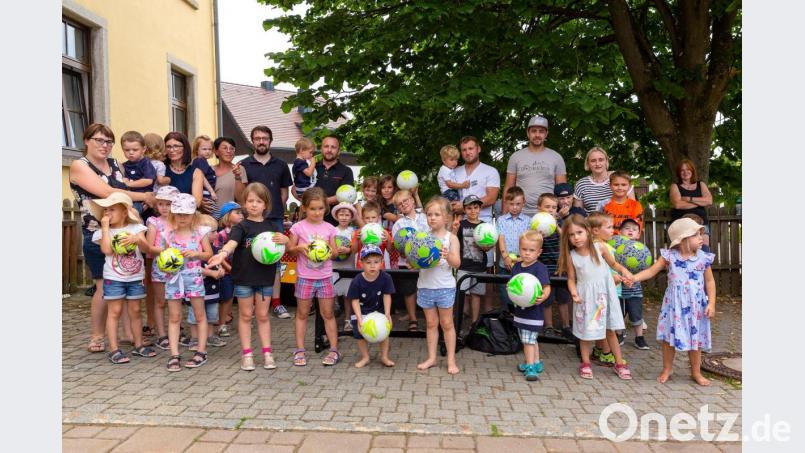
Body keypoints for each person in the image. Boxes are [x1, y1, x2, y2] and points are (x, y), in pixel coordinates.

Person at [69, 123, 155, 353]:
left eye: (108, 141)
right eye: (99, 140)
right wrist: (145, 195)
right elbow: (109, 193)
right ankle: (97, 336)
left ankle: (128, 333)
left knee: (127, 282)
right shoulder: (79, 165)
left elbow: (124, 194)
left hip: (124, 231)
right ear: (86, 140)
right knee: (103, 287)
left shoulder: (115, 164)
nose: (104, 146)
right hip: (98, 233)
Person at [208, 183, 290, 371]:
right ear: (244, 203)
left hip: (265, 278)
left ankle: (267, 353)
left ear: (265, 204)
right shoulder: (241, 226)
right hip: (244, 278)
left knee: (262, 316)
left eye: (258, 201)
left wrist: (286, 240)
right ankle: (247, 354)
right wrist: (222, 253)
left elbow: (287, 245)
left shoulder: (271, 227)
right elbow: (232, 244)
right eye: (250, 201)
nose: (254, 205)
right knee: (245, 315)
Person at [630, 218, 716, 386]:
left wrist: (711, 303)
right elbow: (651, 271)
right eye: (696, 235)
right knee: (669, 340)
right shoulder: (669, 257)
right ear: (683, 239)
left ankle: (696, 372)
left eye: (701, 234)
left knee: (695, 340)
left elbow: (710, 282)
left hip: (696, 307)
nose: (701, 238)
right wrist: (634, 278)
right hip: (674, 306)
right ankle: (667, 369)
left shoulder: (703, 258)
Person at [558, 214, 634, 380]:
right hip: (586, 298)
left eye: (579, 232)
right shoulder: (572, 256)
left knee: (610, 329)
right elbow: (571, 279)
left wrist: (624, 272)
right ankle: (585, 363)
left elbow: (613, 264)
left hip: (604, 296)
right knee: (586, 332)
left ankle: (619, 363)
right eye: (571, 235)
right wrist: (573, 293)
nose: (576, 237)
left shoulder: (600, 248)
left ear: (587, 231)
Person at [233, 125, 293, 319]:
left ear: (270, 141)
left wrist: (271, 210)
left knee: (274, 260)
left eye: (264, 138)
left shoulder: (282, 165)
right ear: (252, 141)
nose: (261, 141)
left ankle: (275, 303)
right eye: (257, 138)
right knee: (250, 258)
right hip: (251, 221)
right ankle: (250, 306)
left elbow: (284, 193)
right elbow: (239, 195)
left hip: (273, 219)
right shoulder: (243, 165)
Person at [149, 193, 213, 371]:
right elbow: (162, 258)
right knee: (175, 316)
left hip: (194, 277)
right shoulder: (167, 235)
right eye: (179, 213)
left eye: (186, 214)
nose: (182, 217)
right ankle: (174, 354)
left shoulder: (200, 232)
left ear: (193, 214)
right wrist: (165, 266)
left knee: (200, 315)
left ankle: (201, 351)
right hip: (173, 280)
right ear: (173, 214)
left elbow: (209, 254)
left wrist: (197, 254)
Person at [90, 192, 155, 363]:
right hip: (114, 278)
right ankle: (114, 349)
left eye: (112, 210)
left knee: (135, 311)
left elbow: (147, 248)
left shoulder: (136, 229)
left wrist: (137, 240)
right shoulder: (102, 233)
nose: (107, 213)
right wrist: (104, 228)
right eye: (105, 210)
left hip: (135, 278)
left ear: (124, 212)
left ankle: (139, 345)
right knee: (115, 312)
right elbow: (106, 250)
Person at [287, 188, 341, 366]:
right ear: (304, 208)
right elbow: (290, 250)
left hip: (325, 277)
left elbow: (335, 254)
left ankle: (334, 350)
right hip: (305, 277)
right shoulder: (298, 227)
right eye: (312, 209)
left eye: (320, 208)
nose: (317, 212)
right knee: (302, 314)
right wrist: (301, 248)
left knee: (328, 314)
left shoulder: (330, 228)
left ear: (325, 208)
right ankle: (300, 350)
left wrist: (327, 250)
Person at [416, 197, 461, 374]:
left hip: (445, 287)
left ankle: (451, 361)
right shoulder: (422, 237)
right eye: (429, 214)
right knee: (431, 323)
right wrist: (416, 260)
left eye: (437, 214)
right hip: (425, 286)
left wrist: (447, 255)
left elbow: (457, 263)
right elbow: (416, 262)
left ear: (447, 218)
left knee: (447, 323)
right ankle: (432, 358)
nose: (432, 218)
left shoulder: (451, 239)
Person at [502, 115, 566, 216]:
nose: (537, 134)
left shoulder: (556, 157)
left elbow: (562, 190)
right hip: (520, 213)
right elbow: (509, 187)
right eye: (534, 131)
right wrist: (504, 214)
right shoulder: (516, 157)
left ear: (546, 134)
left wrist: (561, 213)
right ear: (528, 133)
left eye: (541, 131)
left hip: (547, 214)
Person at [511, 231, 551, 381]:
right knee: (530, 339)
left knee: (528, 340)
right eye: (524, 249)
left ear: (539, 252)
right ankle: (536, 362)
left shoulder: (540, 268)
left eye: (531, 250)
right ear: (519, 248)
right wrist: (510, 288)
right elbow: (513, 284)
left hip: (534, 312)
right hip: (520, 311)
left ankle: (530, 366)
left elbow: (547, 287)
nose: (527, 253)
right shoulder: (516, 267)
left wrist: (544, 296)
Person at [587, 212, 626, 363]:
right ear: (595, 230)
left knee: (602, 322)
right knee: (607, 324)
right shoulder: (599, 247)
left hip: (611, 288)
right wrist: (613, 279)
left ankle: (598, 350)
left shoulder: (603, 245)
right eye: (609, 227)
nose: (613, 230)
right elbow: (596, 272)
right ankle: (606, 353)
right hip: (606, 290)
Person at [349, 245, 396, 368]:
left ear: (382, 262)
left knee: (384, 333)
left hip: (379, 310)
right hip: (361, 310)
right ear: (361, 263)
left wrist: (387, 314)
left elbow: (387, 296)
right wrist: (359, 319)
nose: (372, 265)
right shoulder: (357, 281)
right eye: (368, 262)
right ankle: (365, 357)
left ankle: (384, 356)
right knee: (359, 335)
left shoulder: (386, 278)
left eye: (376, 262)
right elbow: (354, 300)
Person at [185, 214, 228, 351]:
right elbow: (194, 268)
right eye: (213, 232)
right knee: (194, 315)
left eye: (216, 231)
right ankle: (194, 338)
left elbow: (217, 264)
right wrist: (212, 273)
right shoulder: (194, 250)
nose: (216, 234)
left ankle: (210, 336)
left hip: (212, 289)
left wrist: (220, 270)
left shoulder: (214, 249)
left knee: (211, 314)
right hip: (196, 288)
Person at [146, 186, 181, 350]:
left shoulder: (180, 222)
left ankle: (176, 332)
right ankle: (161, 334)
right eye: (161, 204)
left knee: (176, 301)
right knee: (160, 301)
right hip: (160, 267)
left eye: (169, 204)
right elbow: (148, 248)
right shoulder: (154, 222)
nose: (165, 207)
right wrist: (166, 250)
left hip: (178, 268)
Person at [390, 189, 428, 331]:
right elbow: (398, 247)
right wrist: (409, 256)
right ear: (398, 208)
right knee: (409, 291)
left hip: (425, 261)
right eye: (400, 204)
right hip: (406, 263)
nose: (403, 204)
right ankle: (413, 319)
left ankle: (429, 317)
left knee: (426, 288)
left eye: (405, 200)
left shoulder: (425, 217)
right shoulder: (398, 225)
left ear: (412, 200)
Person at [535, 193, 571, 338]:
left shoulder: (561, 222)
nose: (550, 210)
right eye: (547, 207)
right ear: (539, 208)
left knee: (563, 298)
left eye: (554, 207)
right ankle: (548, 326)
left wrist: (555, 225)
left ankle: (566, 326)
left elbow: (567, 239)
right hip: (544, 266)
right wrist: (539, 236)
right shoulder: (535, 224)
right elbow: (533, 242)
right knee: (547, 298)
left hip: (560, 266)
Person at [455, 195, 490, 324]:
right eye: (469, 208)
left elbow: (488, 246)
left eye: (476, 207)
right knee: (462, 294)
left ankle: (475, 322)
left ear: (480, 208)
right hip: (463, 266)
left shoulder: (485, 226)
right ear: (464, 210)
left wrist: (487, 247)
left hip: (479, 266)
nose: (473, 211)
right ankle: (459, 320)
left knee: (476, 295)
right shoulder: (461, 224)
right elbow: (453, 241)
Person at [573, 147, 636, 214]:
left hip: (620, 221)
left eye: (601, 160)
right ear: (588, 163)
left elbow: (633, 208)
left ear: (606, 161)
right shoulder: (581, 184)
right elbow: (578, 214)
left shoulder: (620, 178)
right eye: (593, 161)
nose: (597, 164)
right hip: (591, 223)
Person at [618, 218, 650, 350]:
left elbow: (646, 269)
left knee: (636, 314)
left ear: (638, 234)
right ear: (620, 232)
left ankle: (639, 337)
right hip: (618, 289)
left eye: (634, 229)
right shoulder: (615, 249)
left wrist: (635, 279)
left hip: (635, 290)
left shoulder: (641, 251)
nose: (630, 230)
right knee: (618, 313)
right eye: (627, 228)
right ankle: (619, 334)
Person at [452, 136, 500, 222]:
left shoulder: (490, 171)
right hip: (459, 222)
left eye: (471, 148)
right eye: (464, 150)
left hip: (483, 220)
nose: (467, 152)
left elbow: (491, 198)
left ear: (478, 149)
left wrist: (464, 206)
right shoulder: (454, 172)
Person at [213, 201, 243, 338]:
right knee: (227, 297)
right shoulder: (222, 235)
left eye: (241, 212)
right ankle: (221, 324)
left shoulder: (244, 232)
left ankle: (242, 321)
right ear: (227, 216)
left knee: (239, 297)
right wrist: (229, 268)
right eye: (237, 213)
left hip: (240, 271)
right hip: (227, 271)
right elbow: (218, 254)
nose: (241, 215)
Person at [496, 186, 530, 307]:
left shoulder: (528, 221)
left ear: (523, 203)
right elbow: (501, 239)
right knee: (505, 295)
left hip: (522, 263)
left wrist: (519, 259)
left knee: (521, 294)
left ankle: (519, 321)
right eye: (511, 204)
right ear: (506, 203)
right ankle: (507, 320)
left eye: (518, 204)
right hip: (504, 264)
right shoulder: (501, 220)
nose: (514, 207)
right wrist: (506, 257)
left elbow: (528, 242)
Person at [669, 159, 713, 246]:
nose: (685, 172)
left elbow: (709, 201)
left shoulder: (701, 185)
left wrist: (689, 199)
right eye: (682, 170)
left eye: (688, 169)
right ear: (679, 173)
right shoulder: (675, 186)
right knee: (684, 251)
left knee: (703, 250)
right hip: (682, 224)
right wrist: (700, 202)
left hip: (701, 223)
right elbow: (678, 205)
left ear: (692, 171)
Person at [313, 135, 355, 225]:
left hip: (336, 223)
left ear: (338, 151)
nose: (329, 150)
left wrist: (320, 203)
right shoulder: (312, 168)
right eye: (326, 146)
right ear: (321, 149)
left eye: (333, 147)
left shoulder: (346, 171)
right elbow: (299, 188)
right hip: (311, 220)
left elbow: (347, 196)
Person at [330, 202, 357, 331]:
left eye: (347, 215)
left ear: (351, 217)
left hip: (348, 266)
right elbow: (328, 247)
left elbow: (356, 248)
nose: (344, 217)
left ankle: (348, 320)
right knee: (332, 294)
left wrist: (349, 250)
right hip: (334, 266)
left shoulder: (353, 232)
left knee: (348, 295)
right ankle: (331, 321)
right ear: (336, 216)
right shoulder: (331, 230)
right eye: (341, 214)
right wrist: (335, 250)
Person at [163, 132, 206, 208]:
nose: (172, 150)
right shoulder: (160, 169)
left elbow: (196, 202)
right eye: (168, 147)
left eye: (176, 146)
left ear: (185, 148)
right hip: (161, 216)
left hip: (186, 215)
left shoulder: (196, 172)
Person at [120, 131, 156, 214]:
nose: (131, 152)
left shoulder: (145, 163)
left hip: (142, 199)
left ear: (143, 149)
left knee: (133, 212)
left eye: (135, 150)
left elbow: (148, 180)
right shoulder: (124, 165)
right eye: (127, 150)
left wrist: (129, 184)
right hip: (129, 197)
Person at [212, 136, 238, 208]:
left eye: (232, 148)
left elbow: (241, 198)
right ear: (216, 152)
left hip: (231, 216)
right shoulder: (209, 170)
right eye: (225, 148)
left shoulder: (239, 170)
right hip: (209, 217)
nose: (229, 151)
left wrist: (238, 176)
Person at [191, 135, 218, 203]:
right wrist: (211, 191)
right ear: (197, 150)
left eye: (210, 149)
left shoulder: (197, 161)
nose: (207, 151)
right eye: (204, 149)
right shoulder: (201, 160)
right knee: (216, 213)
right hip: (205, 194)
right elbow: (201, 177)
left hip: (205, 193)